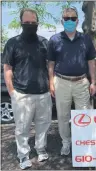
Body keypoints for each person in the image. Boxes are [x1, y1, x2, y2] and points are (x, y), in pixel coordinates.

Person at [2, 8, 52, 169]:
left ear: (37, 23)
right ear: (21, 23)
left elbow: (50, 66)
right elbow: (7, 68)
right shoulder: (12, 43)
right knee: (22, 128)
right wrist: (12, 92)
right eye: (26, 23)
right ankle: (23, 155)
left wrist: (51, 85)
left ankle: (41, 149)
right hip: (21, 94)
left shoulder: (45, 43)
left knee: (43, 125)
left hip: (43, 93)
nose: (30, 25)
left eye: (33, 22)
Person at [47, 7, 96, 156]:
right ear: (62, 20)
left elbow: (91, 62)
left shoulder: (85, 39)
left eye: (73, 18)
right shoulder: (54, 39)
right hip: (61, 82)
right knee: (62, 116)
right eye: (66, 18)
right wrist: (51, 82)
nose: (70, 21)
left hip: (81, 82)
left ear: (77, 20)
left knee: (84, 115)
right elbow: (50, 63)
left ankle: (83, 142)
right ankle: (66, 142)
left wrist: (93, 81)